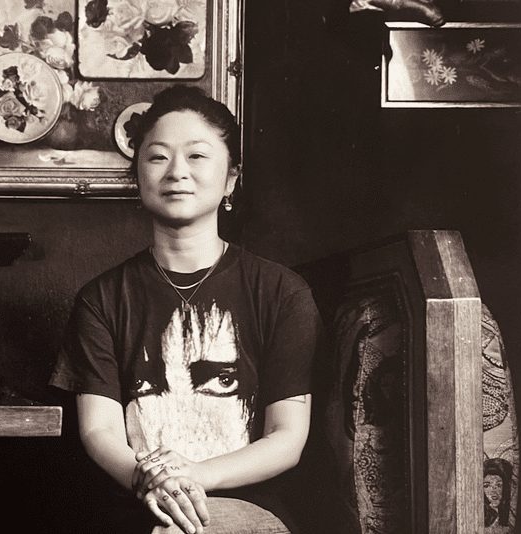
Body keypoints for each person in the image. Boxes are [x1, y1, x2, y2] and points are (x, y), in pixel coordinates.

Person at [50, 86, 323, 534]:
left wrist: (196, 475)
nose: (177, 171)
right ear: (137, 176)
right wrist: (151, 481)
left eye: (197, 156)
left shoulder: (281, 293)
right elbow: (100, 432)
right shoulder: (101, 299)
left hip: (249, 509)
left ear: (231, 179)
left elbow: (286, 438)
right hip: (138, 506)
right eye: (158, 157)